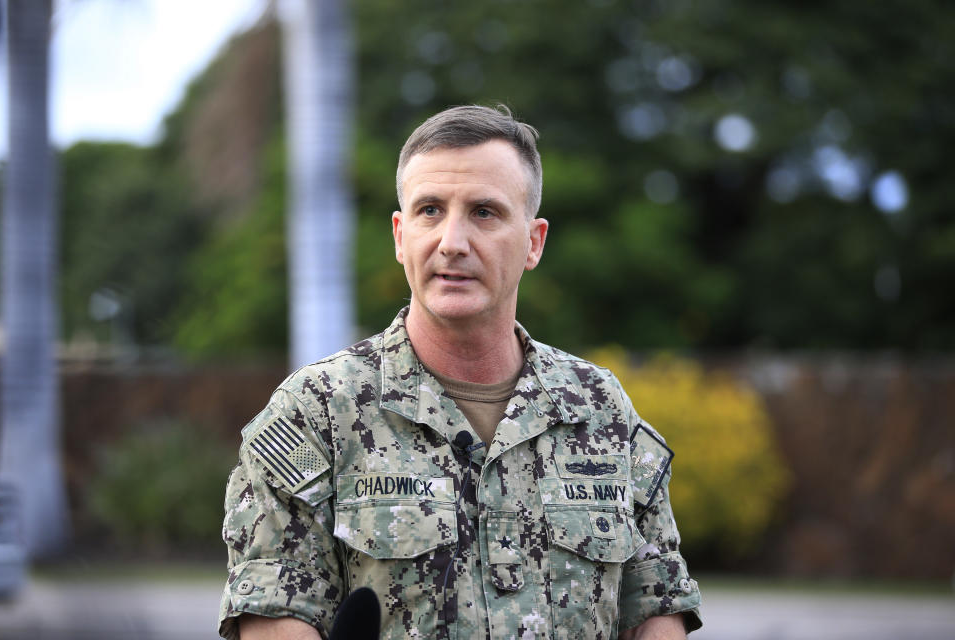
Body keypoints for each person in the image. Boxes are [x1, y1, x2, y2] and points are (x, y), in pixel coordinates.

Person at [218, 105, 702, 640]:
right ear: (401, 236)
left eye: (484, 212)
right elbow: (275, 612)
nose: (451, 241)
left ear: (534, 242)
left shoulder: (598, 408)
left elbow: (656, 607)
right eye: (430, 210)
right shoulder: (318, 410)